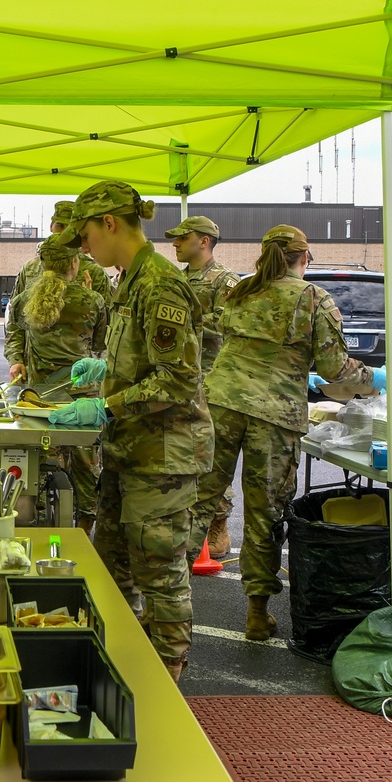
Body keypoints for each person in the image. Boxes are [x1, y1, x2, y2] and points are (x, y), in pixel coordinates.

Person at [186, 225, 379, 642]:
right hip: (274, 415)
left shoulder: (239, 290)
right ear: (304, 258)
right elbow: (334, 370)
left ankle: (166, 603)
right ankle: (257, 614)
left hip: (221, 402)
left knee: (198, 500)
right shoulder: (313, 299)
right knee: (264, 512)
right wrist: (376, 379)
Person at [54, 181, 213, 682]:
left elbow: (180, 379)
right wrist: (102, 369)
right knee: (114, 564)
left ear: (109, 223)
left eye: (84, 235)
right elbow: (144, 359)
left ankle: (167, 679)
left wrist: (106, 405)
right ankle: (122, 666)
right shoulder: (131, 279)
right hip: (132, 448)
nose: (84, 247)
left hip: (164, 455)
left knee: (160, 573)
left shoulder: (159, 284)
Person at [5, 232, 107, 534]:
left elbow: (16, 333)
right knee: (87, 462)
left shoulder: (26, 299)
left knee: (42, 459)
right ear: (74, 263)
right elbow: (101, 343)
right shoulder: (92, 300)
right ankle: (85, 525)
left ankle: (39, 524)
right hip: (82, 395)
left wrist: (18, 359)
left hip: (40, 395)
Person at [165, 215, 241, 558]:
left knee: (212, 456)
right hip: (180, 378)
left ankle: (218, 522)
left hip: (212, 380)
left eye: (183, 238)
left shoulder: (225, 280)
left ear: (204, 242)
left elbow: (229, 323)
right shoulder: (177, 279)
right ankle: (184, 519)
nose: (176, 243)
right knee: (183, 453)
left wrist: (185, 320)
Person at [10, 199, 111, 306]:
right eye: (61, 226)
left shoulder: (93, 272)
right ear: (51, 226)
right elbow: (15, 308)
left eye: (70, 229)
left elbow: (107, 315)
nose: (64, 233)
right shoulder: (30, 268)